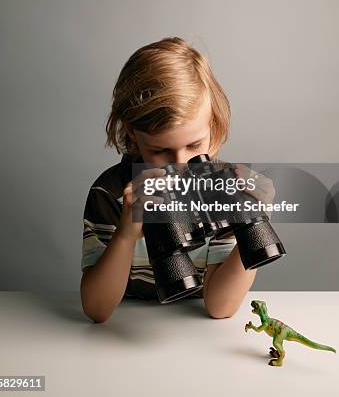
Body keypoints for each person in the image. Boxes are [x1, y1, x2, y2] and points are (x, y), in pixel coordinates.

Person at [80, 36, 272, 323]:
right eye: (160, 151)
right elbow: (96, 310)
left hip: (192, 325)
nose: (181, 165)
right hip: (128, 318)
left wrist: (253, 223)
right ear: (132, 135)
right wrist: (126, 233)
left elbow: (220, 307)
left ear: (213, 125)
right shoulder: (112, 192)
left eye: (195, 146)